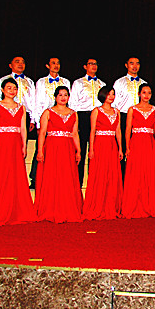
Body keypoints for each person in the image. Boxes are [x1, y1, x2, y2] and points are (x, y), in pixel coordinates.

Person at [0, 77, 37, 225]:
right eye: (9, 88)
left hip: (15, 143)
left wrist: (24, 145)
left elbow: (23, 128)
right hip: (1, 143)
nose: (12, 91)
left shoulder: (21, 107)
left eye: (14, 88)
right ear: (2, 90)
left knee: (15, 173)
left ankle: (16, 208)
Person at [35, 86, 83, 223]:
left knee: (67, 175)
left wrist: (78, 150)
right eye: (60, 95)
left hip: (67, 148)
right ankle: (50, 207)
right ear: (55, 97)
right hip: (52, 147)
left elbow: (75, 133)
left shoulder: (74, 114)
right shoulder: (48, 112)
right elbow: (42, 133)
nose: (63, 97)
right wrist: (40, 150)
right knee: (52, 175)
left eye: (65, 95)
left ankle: (67, 207)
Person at [121, 84, 155, 219]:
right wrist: (127, 147)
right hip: (136, 143)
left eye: (149, 93)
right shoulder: (132, 109)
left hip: (149, 144)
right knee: (135, 172)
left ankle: (149, 205)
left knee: (149, 173)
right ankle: (133, 205)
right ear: (139, 94)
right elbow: (128, 129)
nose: (147, 95)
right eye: (144, 92)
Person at [83, 86, 124, 220]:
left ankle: (111, 206)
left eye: (113, 94)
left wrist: (120, 148)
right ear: (103, 95)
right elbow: (92, 131)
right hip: (100, 144)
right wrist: (91, 148)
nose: (111, 97)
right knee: (99, 173)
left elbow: (118, 131)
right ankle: (97, 205)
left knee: (112, 174)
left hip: (112, 144)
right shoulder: (96, 111)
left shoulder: (117, 112)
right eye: (109, 94)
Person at [32, 57, 70, 188]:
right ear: (47, 66)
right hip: (47, 117)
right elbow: (37, 102)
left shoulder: (65, 81)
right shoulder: (41, 82)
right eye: (53, 63)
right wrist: (38, 123)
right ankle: (36, 179)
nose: (56, 65)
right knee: (41, 147)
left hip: (62, 117)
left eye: (58, 63)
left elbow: (69, 103)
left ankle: (60, 179)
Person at [69, 58, 105, 186]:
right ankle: (77, 183)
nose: (93, 66)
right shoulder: (78, 83)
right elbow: (73, 103)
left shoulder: (102, 84)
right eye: (91, 64)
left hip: (98, 117)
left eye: (95, 64)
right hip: (82, 117)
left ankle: (94, 184)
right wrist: (75, 122)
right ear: (85, 66)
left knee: (95, 151)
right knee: (80, 150)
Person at [112, 57, 147, 158]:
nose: (135, 66)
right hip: (124, 116)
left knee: (138, 146)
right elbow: (113, 103)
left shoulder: (143, 83)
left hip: (140, 117)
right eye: (132, 63)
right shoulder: (119, 82)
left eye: (137, 63)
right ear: (126, 65)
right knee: (123, 146)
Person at [0, 56, 36, 130]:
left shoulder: (29, 82)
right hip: (6, 113)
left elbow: (33, 101)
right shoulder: (3, 80)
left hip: (25, 114)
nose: (20, 64)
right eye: (17, 62)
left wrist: (32, 119)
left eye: (23, 62)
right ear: (10, 65)